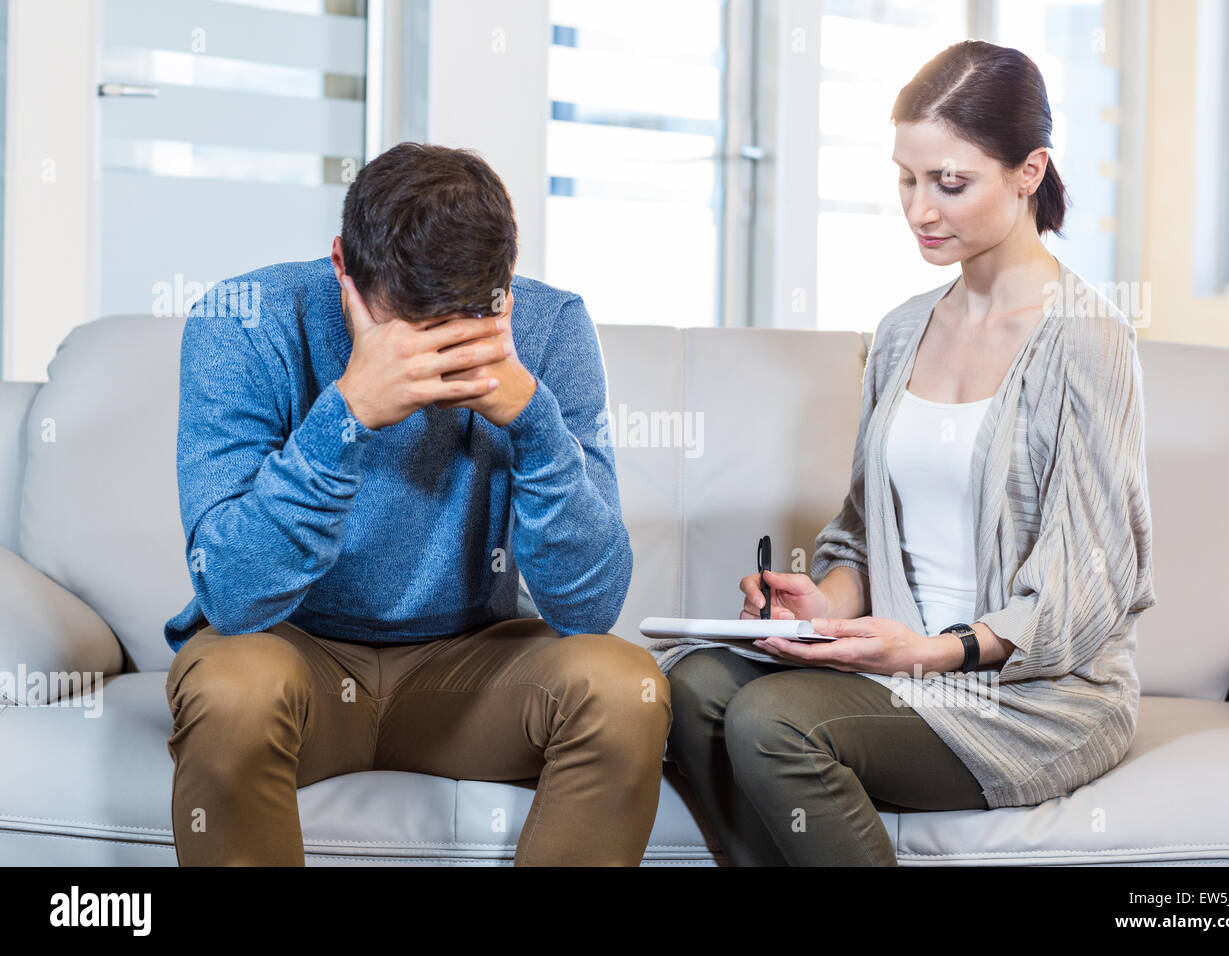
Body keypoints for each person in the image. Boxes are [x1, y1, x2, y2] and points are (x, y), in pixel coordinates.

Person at [663, 40, 1157, 866]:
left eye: (950, 183)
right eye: (906, 178)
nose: (920, 209)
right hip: (900, 672)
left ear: (1030, 171)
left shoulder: (1088, 342)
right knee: (692, 684)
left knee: (771, 722)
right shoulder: (900, 332)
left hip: (1027, 698)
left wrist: (927, 650)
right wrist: (826, 608)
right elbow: (862, 529)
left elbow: (1088, 589)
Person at [163, 142, 670, 866]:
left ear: (505, 295)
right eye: (404, 328)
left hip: (465, 669)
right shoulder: (246, 321)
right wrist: (347, 413)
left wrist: (534, 424)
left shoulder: (550, 329)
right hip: (292, 651)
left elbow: (588, 609)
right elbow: (235, 594)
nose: (428, 359)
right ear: (342, 266)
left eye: (457, 328)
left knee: (626, 688)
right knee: (232, 690)